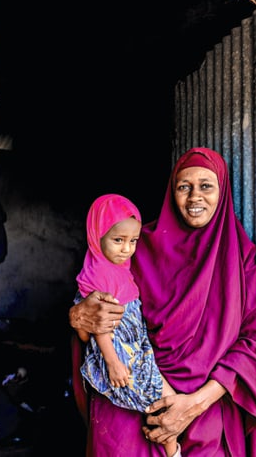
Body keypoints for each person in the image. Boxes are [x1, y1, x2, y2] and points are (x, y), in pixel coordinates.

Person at [69, 147, 256, 456]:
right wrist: (78, 315)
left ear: (222, 191)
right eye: (184, 186)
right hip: (132, 404)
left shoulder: (239, 259)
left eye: (206, 185)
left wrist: (193, 404)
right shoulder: (138, 248)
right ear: (172, 191)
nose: (195, 196)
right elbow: (99, 297)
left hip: (207, 412)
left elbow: (254, 344)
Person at [73, 194, 179, 457]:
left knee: (169, 400)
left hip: (136, 348)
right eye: (118, 240)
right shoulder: (97, 275)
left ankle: (173, 448)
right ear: (96, 235)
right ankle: (173, 451)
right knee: (159, 401)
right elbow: (100, 327)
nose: (126, 249)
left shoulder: (121, 268)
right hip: (122, 354)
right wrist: (112, 362)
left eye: (133, 241)